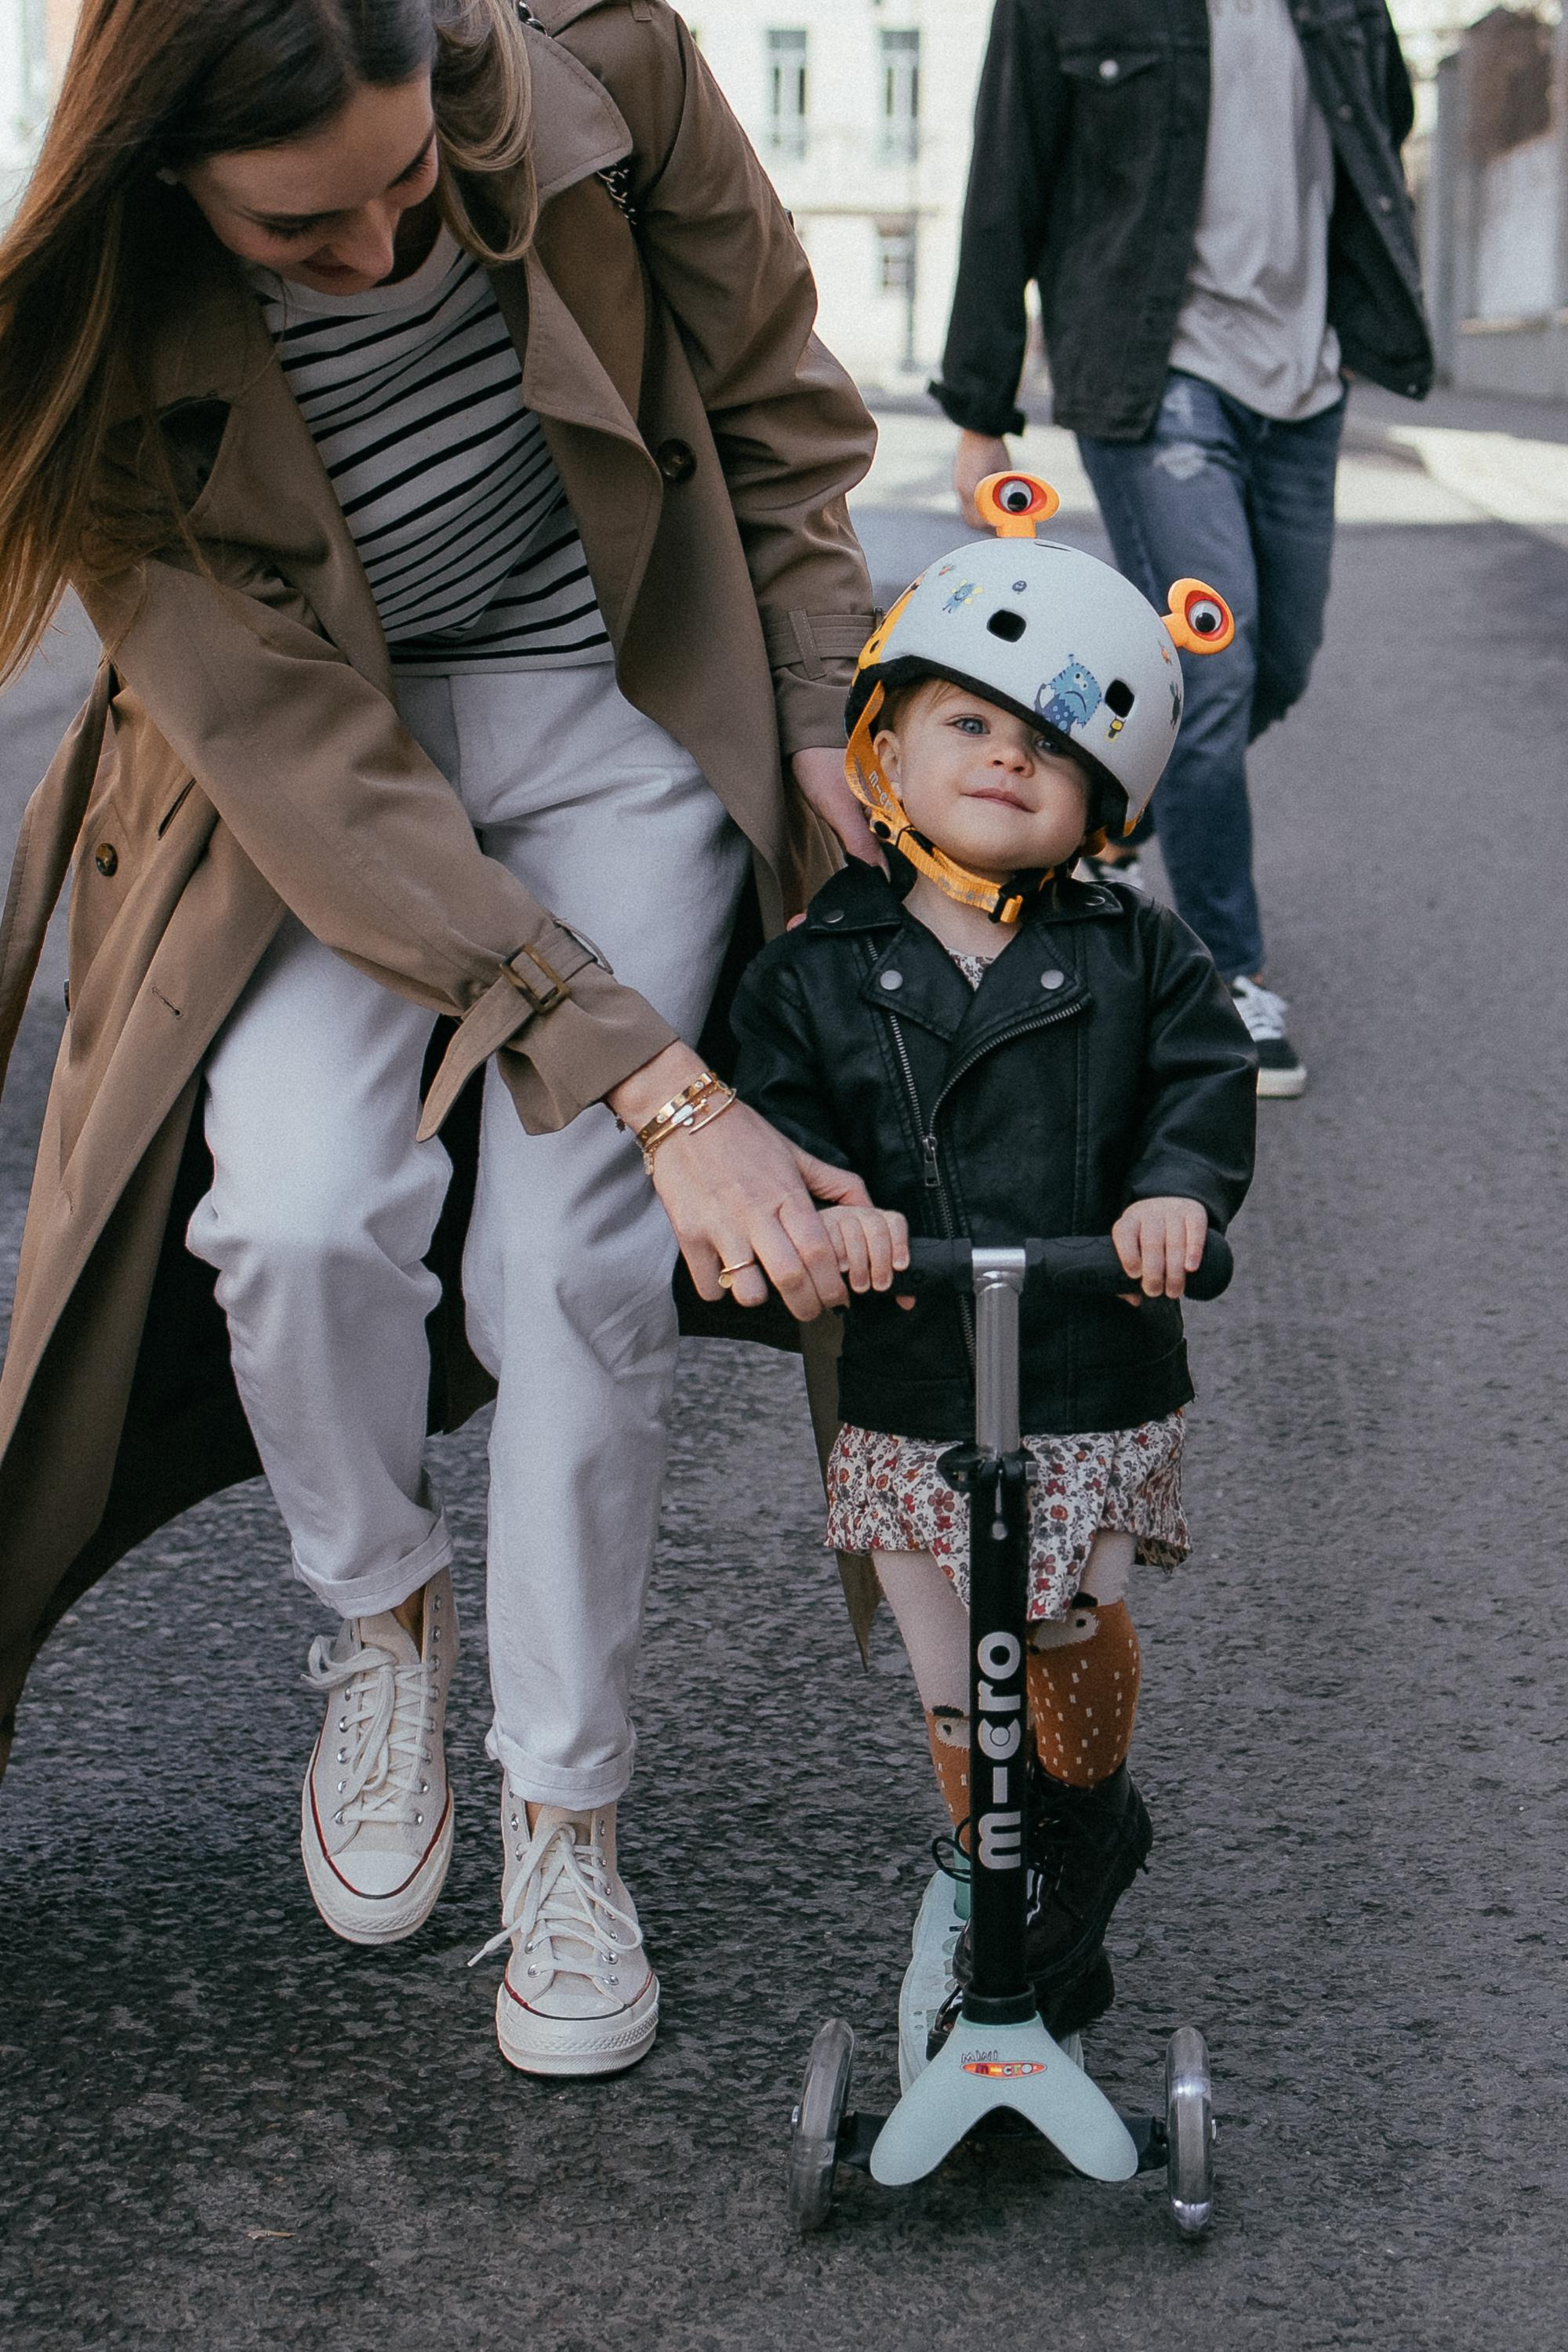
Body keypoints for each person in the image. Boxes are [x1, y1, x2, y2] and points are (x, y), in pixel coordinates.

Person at [0, 0, 887, 2079]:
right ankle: (383, 1610)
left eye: (413, 187)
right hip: (318, 786)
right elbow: (304, 762)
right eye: (302, 233)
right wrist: (666, 1084)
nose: (384, 250)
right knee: (296, 1219)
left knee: (572, 1260)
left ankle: (566, 1822)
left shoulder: (604, 63)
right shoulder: (98, 339)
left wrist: (840, 696)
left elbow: (767, 388)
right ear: (167, 183)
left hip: (613, 700)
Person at [729, 474, 1256, 2033]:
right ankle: (1003, 1865)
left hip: (1090, 1362)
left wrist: (1175, 1195)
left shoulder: (1136, 952)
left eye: (1051, 748)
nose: (1008, 760)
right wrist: (828, 1221)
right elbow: (775, 1122)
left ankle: (1079, 1827)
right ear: (881, 746)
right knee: (957, 1664)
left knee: (1069, 1616)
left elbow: (1201, 1081)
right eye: (969, 726)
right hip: (908, 1372)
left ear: (1112, 802)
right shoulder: (816, 971)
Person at [931, 0, 1433, 1099]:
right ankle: (1221, 972)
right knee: (1216, 665)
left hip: (1305, 380)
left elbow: (1379, 129)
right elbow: (1005, 183)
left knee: (1281, 660)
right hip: (1155, 372)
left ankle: (1112, 811)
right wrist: (981, 411)